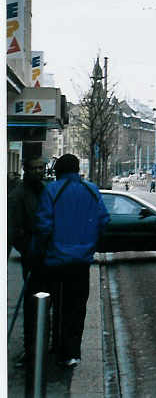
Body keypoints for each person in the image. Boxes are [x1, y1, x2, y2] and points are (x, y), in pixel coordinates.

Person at [31, 153, 109, 368]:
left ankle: (54, 345)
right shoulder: (91, 190)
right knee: (76, 307)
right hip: (81, 261)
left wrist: (37, 251)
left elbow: (44, 225)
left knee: (52, 304)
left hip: (55, 260)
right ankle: (72, 351)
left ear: (59, 170)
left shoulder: (52, 190)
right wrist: (90, 241)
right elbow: (104, 219)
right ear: (76, 170)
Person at [8, 156, 48, 370]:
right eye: (35, 168)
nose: (40, 171)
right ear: (26, 170)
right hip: (32, 258)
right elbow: (13, 230)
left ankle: (43, 344)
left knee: (45, 302)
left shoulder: (45, 190)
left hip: (47, 256)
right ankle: (31, 348)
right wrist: (28, 250)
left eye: (42, 167)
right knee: (33, 305)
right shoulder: (18, 195)